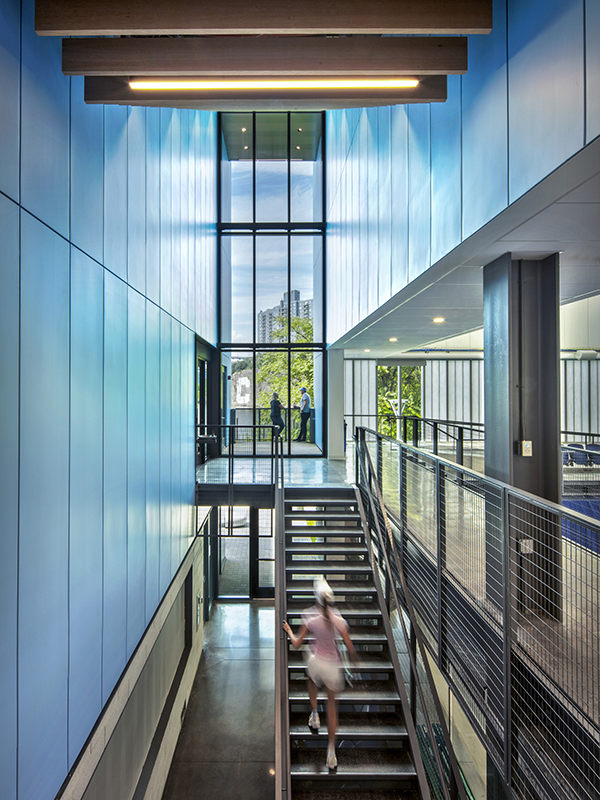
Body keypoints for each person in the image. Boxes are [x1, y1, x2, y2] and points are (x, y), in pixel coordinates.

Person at [282, 578, 357, 770]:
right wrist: (354, 662)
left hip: (317, 663)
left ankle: (314, 715)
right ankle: (331, 752)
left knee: (311, 679)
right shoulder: (339, 620)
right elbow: (349, 647)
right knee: (332, 709)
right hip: (332, 666)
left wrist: (290, 631)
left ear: (316, 599)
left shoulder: (310, 618)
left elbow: (297, 644)